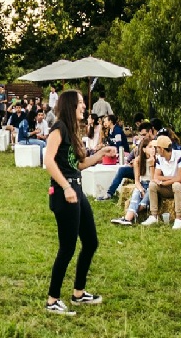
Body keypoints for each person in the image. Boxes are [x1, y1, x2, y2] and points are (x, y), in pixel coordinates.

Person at [43, 90, 111, 315]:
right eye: (81, 103)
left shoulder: (72, 131)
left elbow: (78, 165)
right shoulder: (59, 128)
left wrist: (101, 153)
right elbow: (48, 161)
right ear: (71, 105)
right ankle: (53, 300)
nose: (84, 107)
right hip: (65, 193)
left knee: (90, 242)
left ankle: (78, 294)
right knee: (68, 247)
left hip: (76, 190)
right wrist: (66, 187)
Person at [146, 135, 181, 229]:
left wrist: (164, 182)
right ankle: (154, 215)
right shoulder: (160, 159)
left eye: (156, 148)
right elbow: (156, 176)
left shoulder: (180, 156)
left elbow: (179, 179)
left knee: (176, 185)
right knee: (152, 185)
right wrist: (172, 178)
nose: (155, 149)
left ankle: (179, 218)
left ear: (161, 149)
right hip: (170, 187)